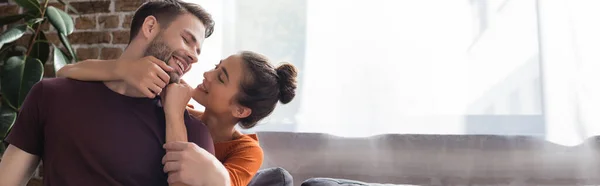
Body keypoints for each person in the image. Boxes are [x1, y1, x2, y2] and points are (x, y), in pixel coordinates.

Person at [0, 1, 229, 186]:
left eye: (198, 51)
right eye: (187, 40)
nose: (194, 57)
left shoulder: (193, 134)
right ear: (149, 27)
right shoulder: (52, 95)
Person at [57, 50, 299, 186]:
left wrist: (173, 113)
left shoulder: (247, 151)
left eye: (221, 77)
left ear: (240, 110)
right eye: (216, 66)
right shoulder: (181, 107)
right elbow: (66, 72)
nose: (207, 73)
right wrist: (123, 69)